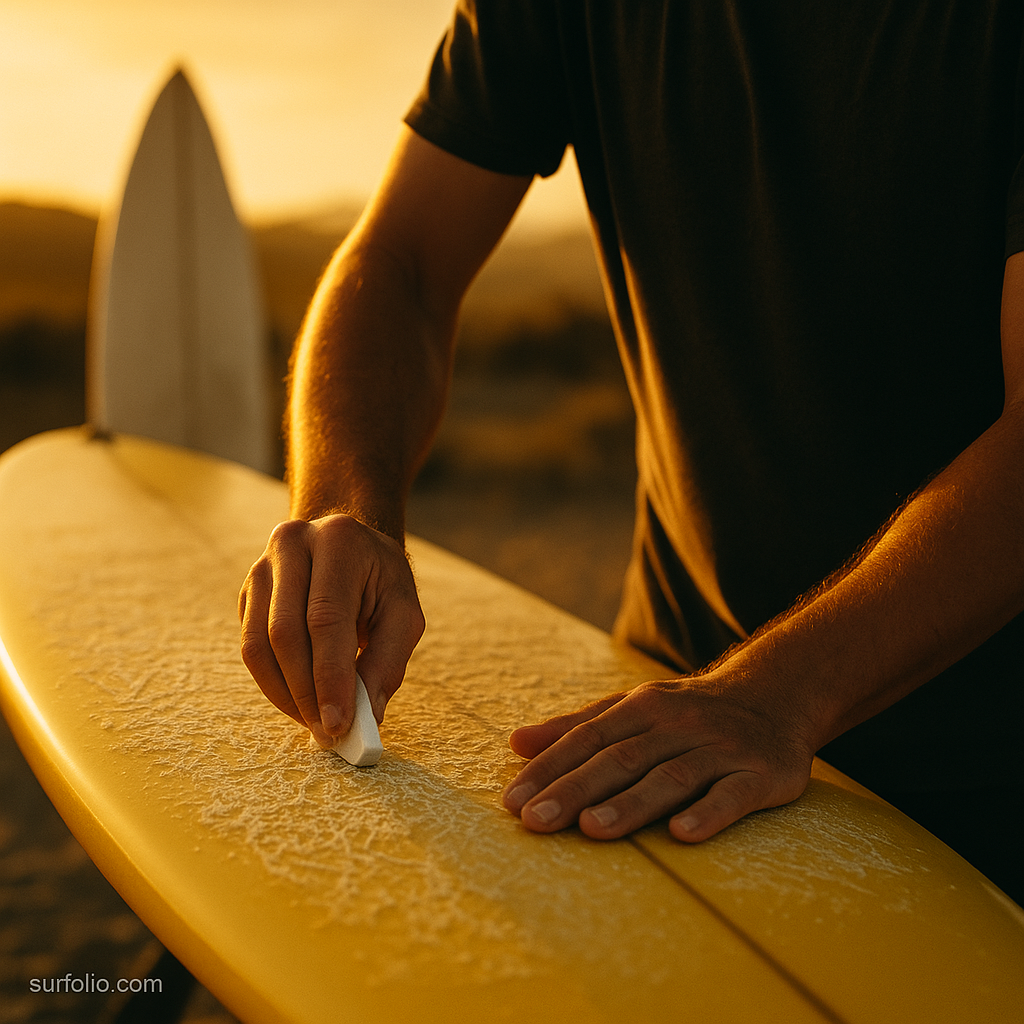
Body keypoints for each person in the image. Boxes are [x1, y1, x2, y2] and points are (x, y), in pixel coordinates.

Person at [238, 1, 1024, 904]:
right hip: (656, 709)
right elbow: (405, 262)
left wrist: (777, 694)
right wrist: (342, 506)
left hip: (987, 783)